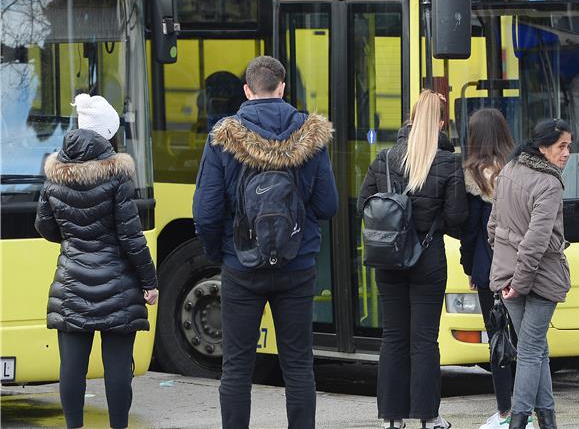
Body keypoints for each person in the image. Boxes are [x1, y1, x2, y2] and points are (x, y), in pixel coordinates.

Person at [193, 56, 338, 429]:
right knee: (298, 364)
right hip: (297, 266)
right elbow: (327, 204)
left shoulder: (224, 138)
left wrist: (220, 253)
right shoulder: (311, 136)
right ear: (283, 87)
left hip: (241, 266)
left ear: (247, 90)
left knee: (237, 366)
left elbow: (206, 211)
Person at [35, 93, 158, 429]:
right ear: (107, 133)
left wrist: (74, 241)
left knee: (71, 368)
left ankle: (74, 426)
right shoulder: (117, 177)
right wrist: (149, 283)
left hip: (72, 283)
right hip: (119, 287)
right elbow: (132, 238)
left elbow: (44, 227)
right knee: (118, 368)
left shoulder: (55, 175)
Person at [358, 90, 468, 429]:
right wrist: (430, 224)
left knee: (393, 336)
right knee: (424, 340)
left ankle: (392, 418)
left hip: (388, 258)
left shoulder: (385, 157)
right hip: (428, 257)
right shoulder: (449, 162)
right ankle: (428, 416)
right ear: (440, 122)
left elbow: (363, 205)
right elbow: (457, 216)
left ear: (410, 116)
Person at [489, 118, 573, 429]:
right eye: (561, 146)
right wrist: (520, 284)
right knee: (531, 350)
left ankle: (548, 420)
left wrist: (506, 271)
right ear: (542, 147)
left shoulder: (509, 170)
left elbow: (493, 226)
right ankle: (519, 421)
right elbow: (536, 241)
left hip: (508, 275)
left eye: (569, 147)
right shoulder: (549, 183)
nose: (566, 153)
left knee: (536, 349)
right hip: (537, 278)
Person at [458, 108, 517, 429]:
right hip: (522, 267)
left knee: (497, 340)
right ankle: (531, 407)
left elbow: (470, 233)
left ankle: (506, 411)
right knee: (526, 341)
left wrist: (470, 267)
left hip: (488, 270)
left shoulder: (472, 175)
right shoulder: (517, 170)